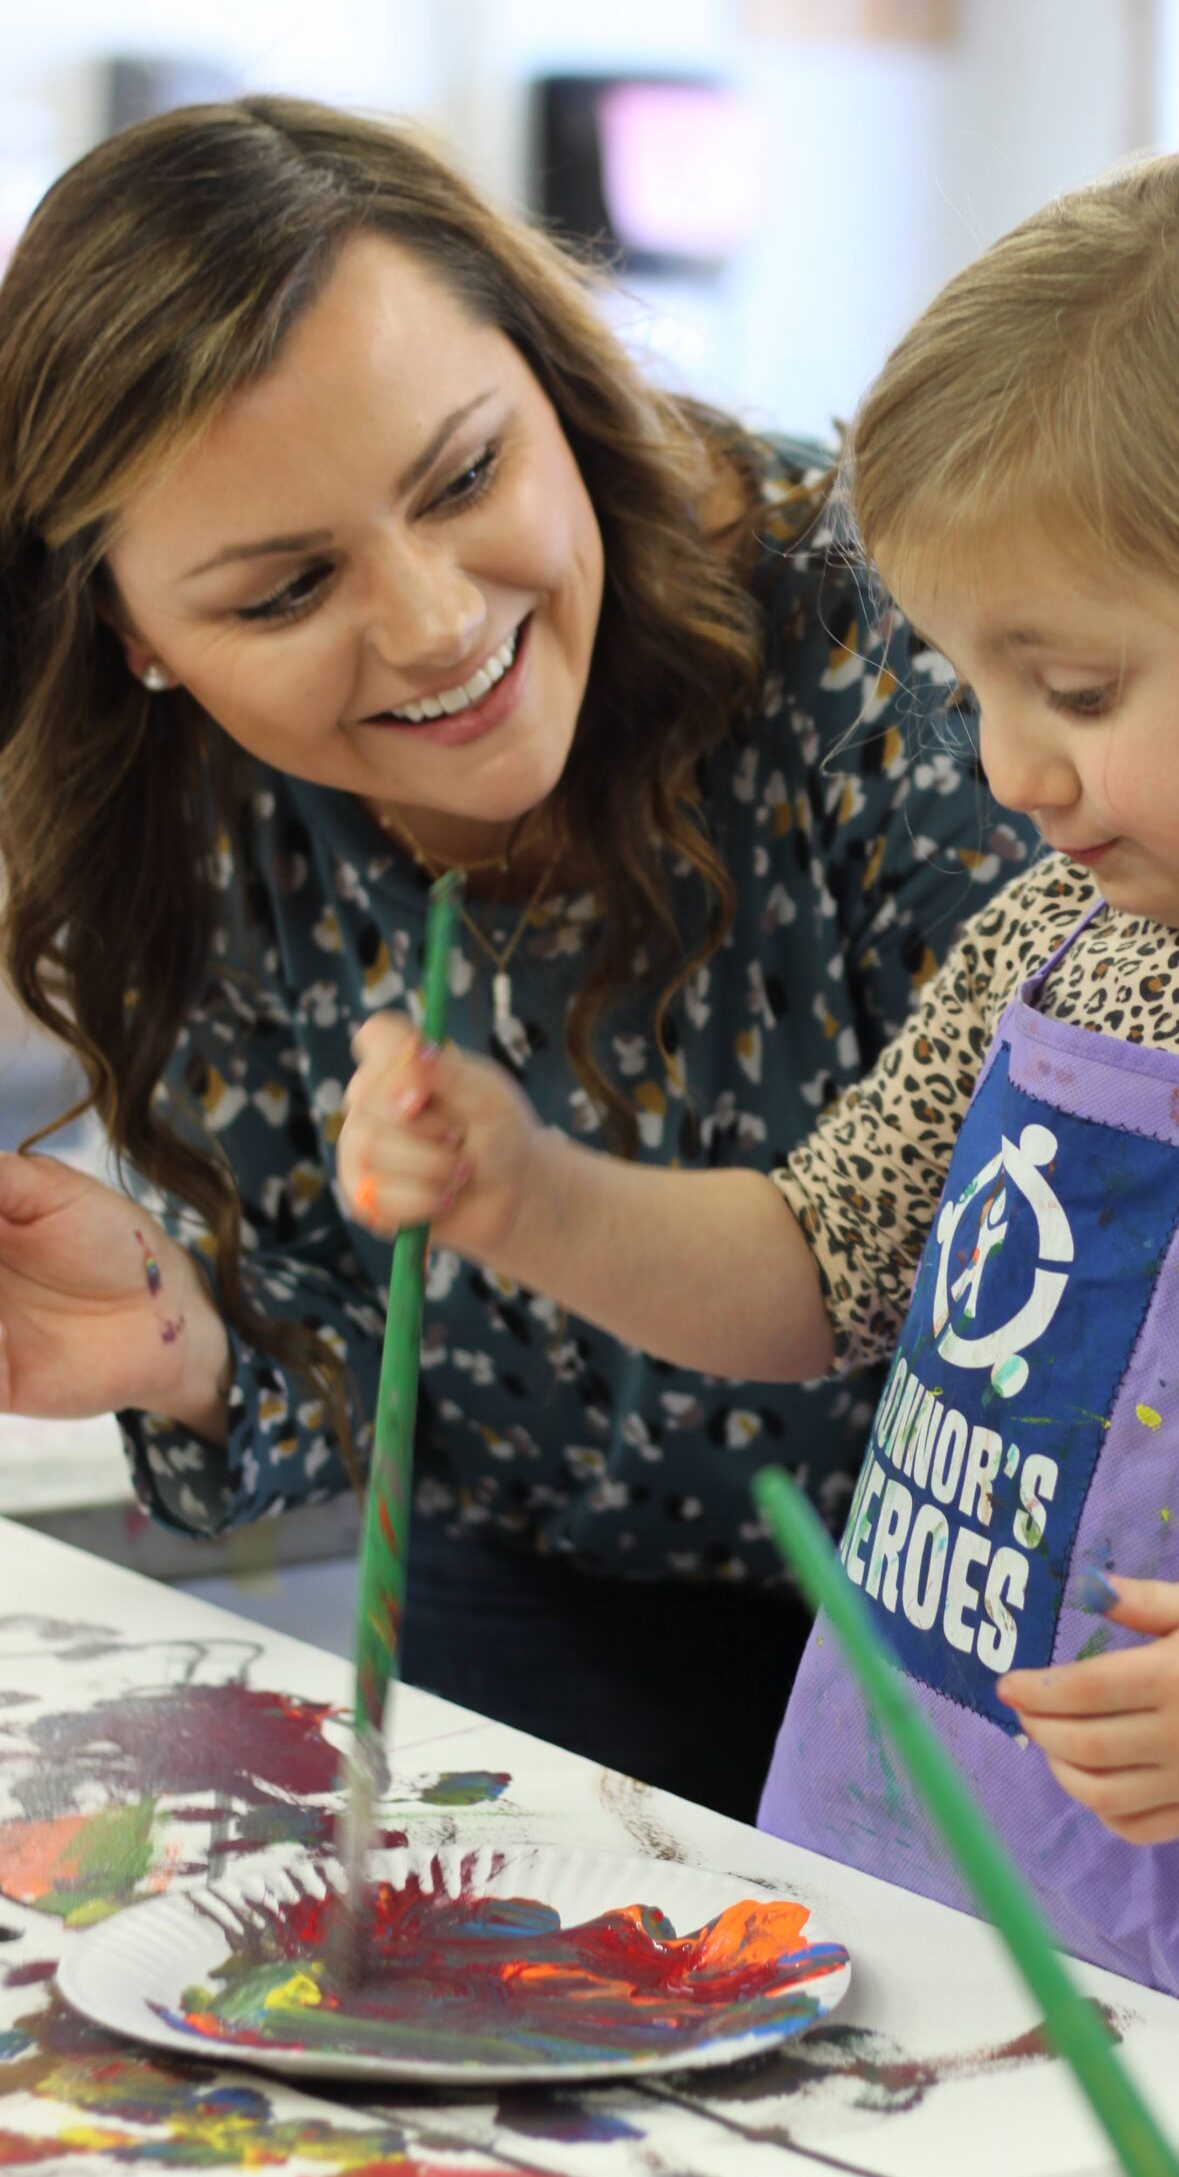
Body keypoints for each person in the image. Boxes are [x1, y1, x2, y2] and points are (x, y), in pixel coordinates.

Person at [338, 148, 1179, 2177]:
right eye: (970, 680)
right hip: (957, 1876)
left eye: (1072, 690)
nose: (1001, 762)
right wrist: (530, 1196)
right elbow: (810, 1263)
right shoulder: (1050, 942)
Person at [0, 93, 1034, 1821]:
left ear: (559, 380)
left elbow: (1061, 1287)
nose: (432, 622)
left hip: (980, 1632)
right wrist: (183, 1337)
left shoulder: (879, 632)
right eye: (280, 592)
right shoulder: (179, 819)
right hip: (540, 1589)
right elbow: (341, 1339)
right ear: (130, 634)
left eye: (466, 474)